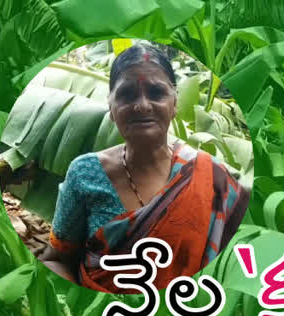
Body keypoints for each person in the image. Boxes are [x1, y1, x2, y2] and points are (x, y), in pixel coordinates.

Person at [41, 43, 249, 292]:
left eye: (156, 93)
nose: (142, 105)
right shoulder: (85, 172)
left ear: (174, 105)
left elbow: (232, 263)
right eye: (127, 94)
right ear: (111, 106)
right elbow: (56, 259)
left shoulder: (209, 175)